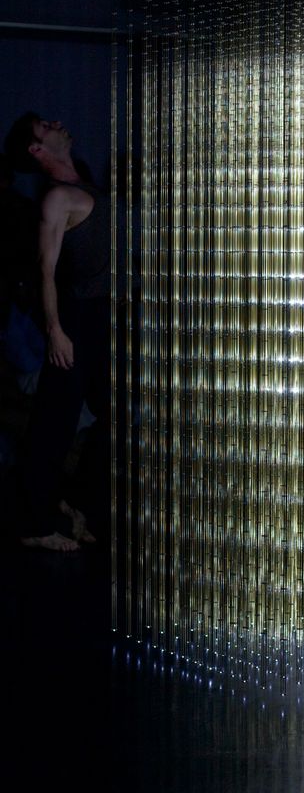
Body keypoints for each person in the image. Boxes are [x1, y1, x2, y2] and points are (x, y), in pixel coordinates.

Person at [4, 113, 116, 551]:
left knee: (116, 416)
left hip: (102, 317)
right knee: (55, 422)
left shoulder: (82, 185)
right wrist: (55, 330)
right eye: (44, 126)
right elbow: (45, 271)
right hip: (76, 318)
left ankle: (75, 502)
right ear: (36, 149)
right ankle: (35, 523)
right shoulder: (55, 199)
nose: (56, 124)